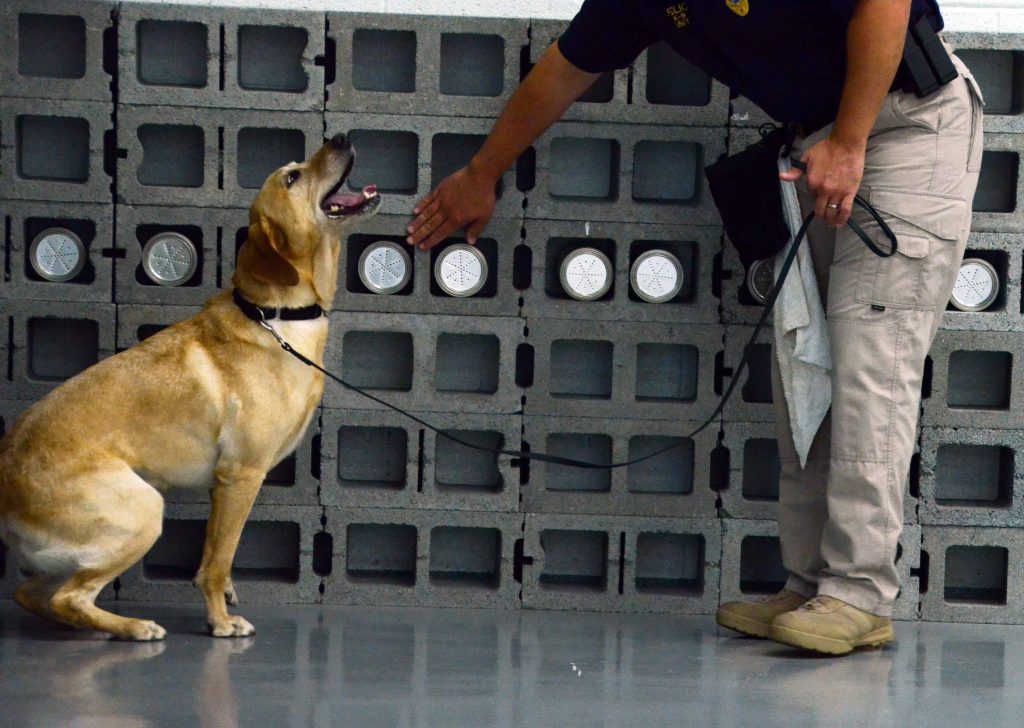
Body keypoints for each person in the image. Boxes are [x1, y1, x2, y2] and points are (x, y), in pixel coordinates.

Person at [406, 0, 983, 655]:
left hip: (907, 127)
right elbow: (566, 71)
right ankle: (811, 583)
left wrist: (850, 143)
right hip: (818, 144)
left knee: (870, 361)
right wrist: (483, 172)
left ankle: (858, 592)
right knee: (808, 361)